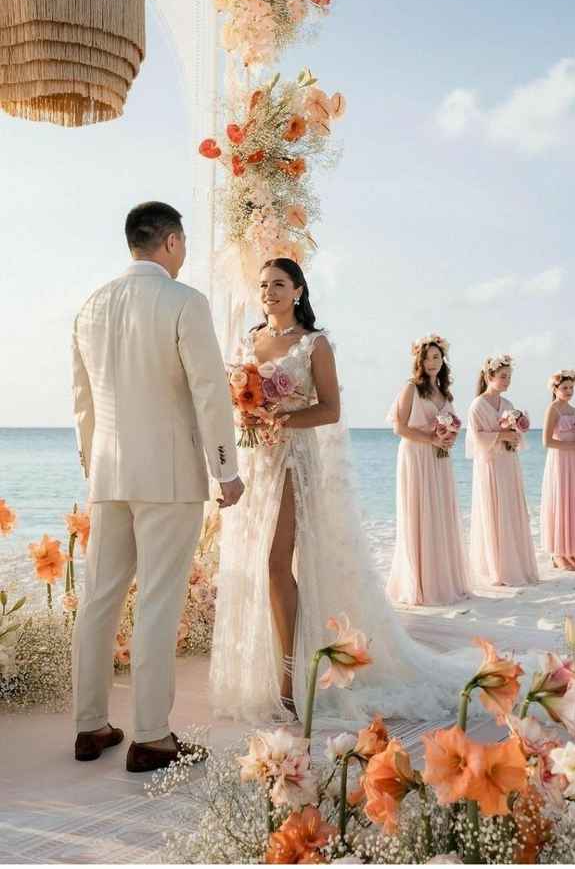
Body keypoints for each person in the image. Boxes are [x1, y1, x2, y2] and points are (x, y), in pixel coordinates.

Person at [211, 260, 479, 727]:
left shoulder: (314, 344)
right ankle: (270, 667)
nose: (269, 292)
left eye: (278, 284)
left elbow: (330, 410)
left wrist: (280, 418)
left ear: (297, 290)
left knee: (276, 563)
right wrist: (246, 415)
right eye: (263, 285)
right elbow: (233, 399)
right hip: (255, 459)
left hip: (295, 460)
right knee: (254, 563)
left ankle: (291, 682)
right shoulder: (249, 341)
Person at [71, 201, 243, 772]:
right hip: (168, 475)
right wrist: (226, 469)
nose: (186, 250)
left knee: (99, 598)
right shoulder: (184, 302)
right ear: (170, 242)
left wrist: (93, 463)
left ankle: (89, 726)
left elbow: (83, 403)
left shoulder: (89, 307)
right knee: (157, 600)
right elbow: (210, 393)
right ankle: (151, 737)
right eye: (184, 241)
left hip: (109, 472)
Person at [386, 334, 471, 606]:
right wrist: (431, 439)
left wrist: (449, 438)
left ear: (442, 359)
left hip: (440, 457)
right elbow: (399, 427)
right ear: (418, 361)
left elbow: (453, 424)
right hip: (417, 456)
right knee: (420, 514)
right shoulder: (411, 388)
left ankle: (441, 580)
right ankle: (420, 584)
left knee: (440, 514)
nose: (431, 362)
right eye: (426, 357)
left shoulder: (444, 392)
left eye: (436, 357)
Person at [466, 354, 539, 587]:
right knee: (494, 510)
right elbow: (475, 438)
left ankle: (514, 562)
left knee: (510, 508)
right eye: (503, 376)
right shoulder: (477, 405)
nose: (507, 381)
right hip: (489, 465)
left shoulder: (508, 406)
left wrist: (514, 437)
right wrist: (501, 434)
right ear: (490, 376)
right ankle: (497, 567)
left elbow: (517, 438)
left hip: (508, 462)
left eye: (509, 377)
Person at [540, 369, 575, 571]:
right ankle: (558, 553)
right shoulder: (553, 409)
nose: (569, 391)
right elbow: (546, 441)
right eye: (564, 387)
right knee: (561, 502)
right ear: (555, 389)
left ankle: (570, 551)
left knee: (573, 503)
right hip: (560, 461)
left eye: (571, 387)